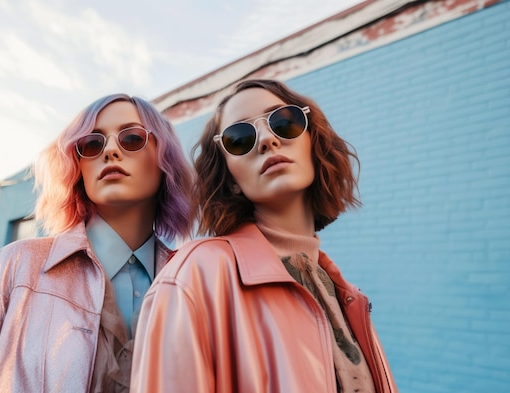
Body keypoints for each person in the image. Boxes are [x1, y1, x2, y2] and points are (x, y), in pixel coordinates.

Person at [131, 79, 398, 392]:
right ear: (230, 178)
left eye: (284, 122)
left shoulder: (345, 294)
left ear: (314, 144)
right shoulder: (196, 276)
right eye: (240, 138)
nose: (268, 140)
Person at [0, 94, 194, 392]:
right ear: (77, 166)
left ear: (165, 157)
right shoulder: (14, 268)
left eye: (131, 138)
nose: (111, 150)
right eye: (92, 143)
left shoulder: (194, 280)